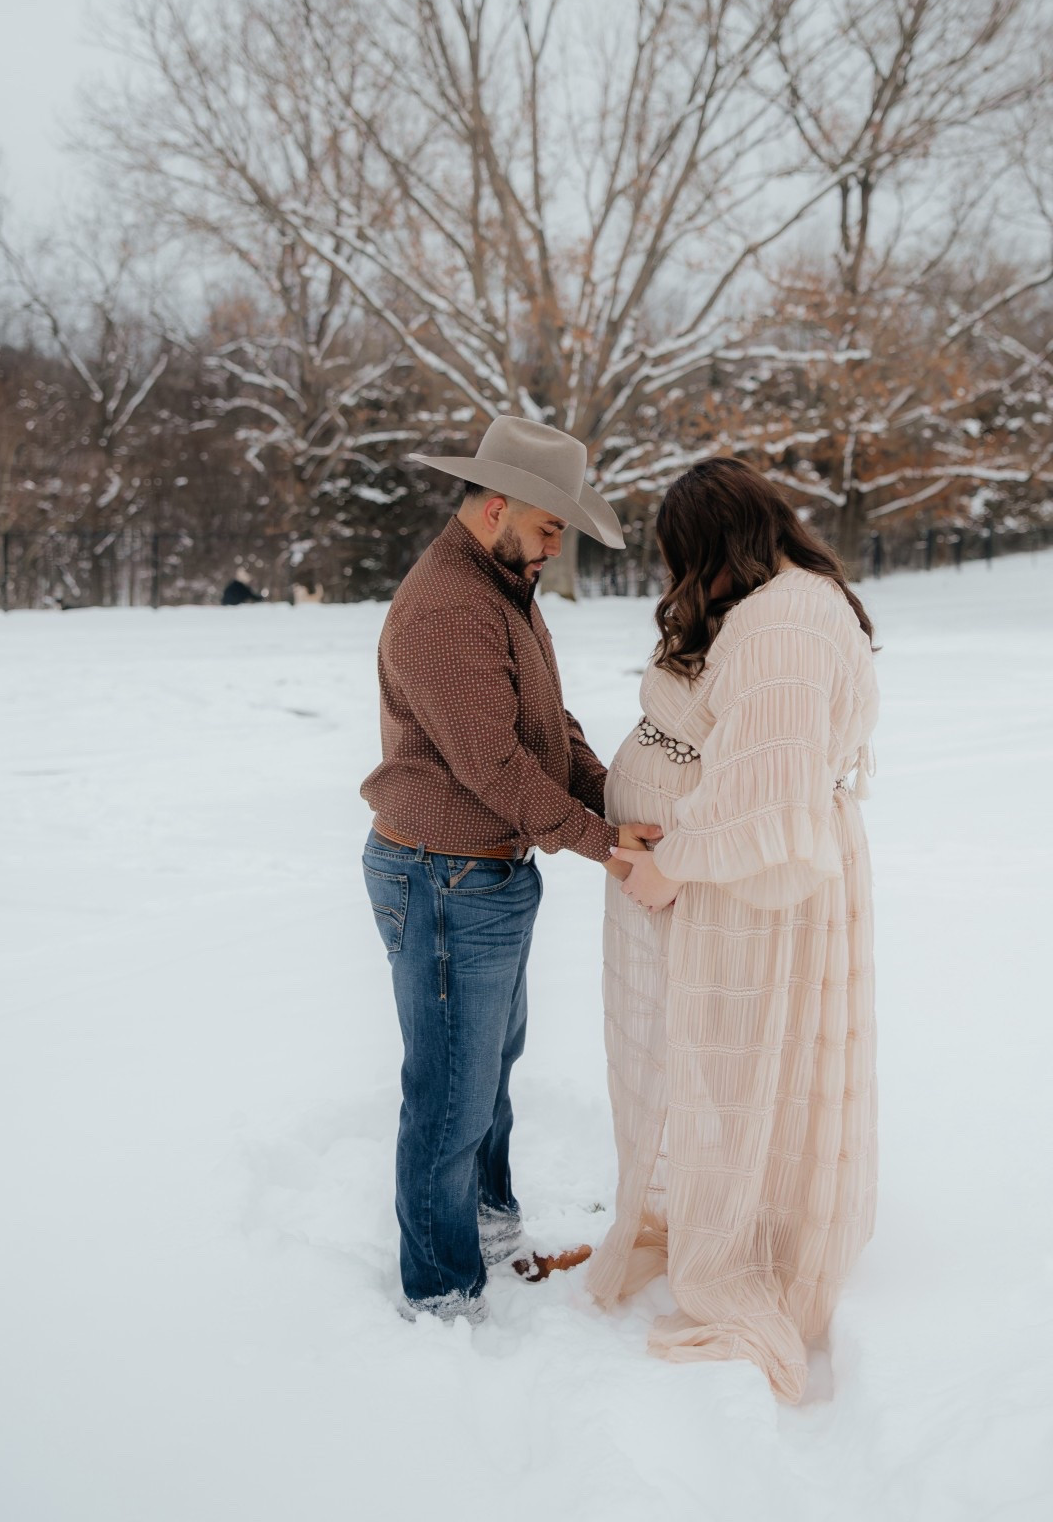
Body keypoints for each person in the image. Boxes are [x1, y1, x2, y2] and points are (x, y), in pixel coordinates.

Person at [586, 458, 880, 1403]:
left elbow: (767, 784)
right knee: (721, 1060)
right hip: (721, 880)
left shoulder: (787, 619)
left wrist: (670, 865)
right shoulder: (774, 604)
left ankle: (744, 1245)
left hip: (742, 891)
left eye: (687, 558)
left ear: (718, 543)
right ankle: (722, 1207)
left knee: (740, 1060)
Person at [360, 416, 661, 1321]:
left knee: (485, 1072)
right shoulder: (450, 607)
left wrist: (609, 802)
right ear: (498, 508)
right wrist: (603, 846)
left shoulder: (502, 588)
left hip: (484, 876)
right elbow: (492, 765)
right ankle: (442, 1294)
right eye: (550, 527)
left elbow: (547, 728)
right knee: (450, 1096)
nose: (555, 547)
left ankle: (488, 1226)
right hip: (441, 875)